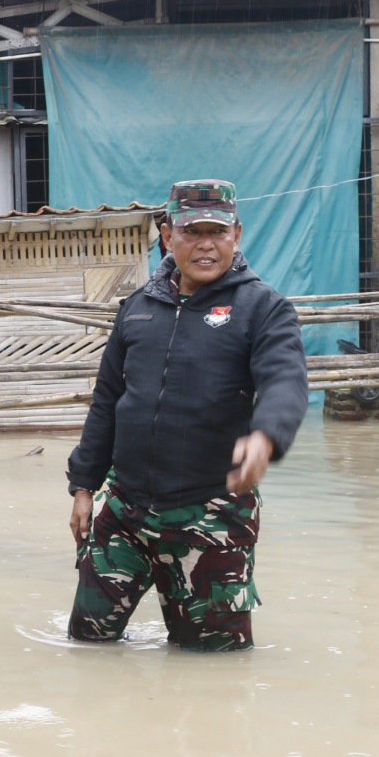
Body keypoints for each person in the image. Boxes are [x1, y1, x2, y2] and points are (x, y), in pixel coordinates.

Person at [65, 179, 309, 652]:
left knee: (212, 667)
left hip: (212, 515)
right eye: (191, 231)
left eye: (217, 232)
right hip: (125, 513)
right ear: (166, 235)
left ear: (236, 234)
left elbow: (285, 381)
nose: (205, 244)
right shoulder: (137, 310)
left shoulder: (263, 309)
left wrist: (266, 437)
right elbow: (108, 402)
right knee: (88, 645)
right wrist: (83, 486)